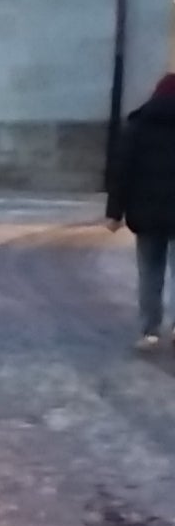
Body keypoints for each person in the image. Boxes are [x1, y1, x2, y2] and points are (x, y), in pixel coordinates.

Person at [113, 69, 175, 349]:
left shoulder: (138, 125)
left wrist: (114, 212)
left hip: (146, 213)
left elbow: (122, 171)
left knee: (150, 272)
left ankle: (149, 330)